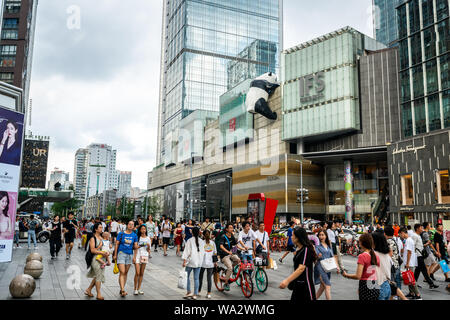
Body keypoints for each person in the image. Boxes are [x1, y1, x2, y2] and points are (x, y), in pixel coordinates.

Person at [279, 227, 317, 301]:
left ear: (298, 238)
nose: (291, 237)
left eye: (292, 235)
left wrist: (287, 280)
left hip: (306, 286)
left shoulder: (306, 249)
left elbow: (301, 268)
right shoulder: (299, 249)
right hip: (298, 285)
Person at [342, 233, 380, 300]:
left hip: (365, 286)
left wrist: (346, 275)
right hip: (375, 285)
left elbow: (358, 276)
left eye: (359, 241)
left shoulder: (362, 256)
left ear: (362, 243)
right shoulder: (376, 255)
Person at [113, 220, 138, 297]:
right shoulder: (121, 234)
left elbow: (135, 247)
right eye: (129, 224)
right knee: (122, 272)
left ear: (134, 226)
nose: (131, 225)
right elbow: (117, 244)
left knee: (125, 273)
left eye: (132, 224)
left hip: (130, 255)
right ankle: (123, 289)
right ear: (127, 225)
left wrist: (134, 257)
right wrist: (115, 254)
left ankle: (122, 289)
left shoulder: (134, 235)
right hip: (121, 253)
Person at [84, 222, 108, 300]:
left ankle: (88, 290)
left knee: (98, 275)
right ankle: (99, 294)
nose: (102, 229)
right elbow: (93, 250)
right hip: (95, 259)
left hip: (102, 259)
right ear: (96, 229)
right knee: (98, 276)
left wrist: (107, 253)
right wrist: (102, 252)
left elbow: (105, 248)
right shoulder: (92, 238)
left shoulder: (102, 238)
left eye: (102, 227)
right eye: (100, 227)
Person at [314, 229, 339, 300]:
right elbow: (315, 257)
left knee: (322, 287)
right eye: (320, 235)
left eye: (323, 235)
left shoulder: (328, 245)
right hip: (320, 269)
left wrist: (337, 266)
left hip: (328, 268)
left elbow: (333, 256)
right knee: (327, 286)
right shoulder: (317, 245)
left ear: (326, 236)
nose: (321, 236)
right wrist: (317, 256)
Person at [412, 223, 438, 289]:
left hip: (420, 255)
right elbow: (413, 246)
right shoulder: (414, 236)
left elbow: (420, 246)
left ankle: (414, 283)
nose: (422, 229)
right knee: (423, 270)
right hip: (418, 255)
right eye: (421, 228)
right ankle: (430, 283)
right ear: (417, 229)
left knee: (418, 271)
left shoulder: (418, 235)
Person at [182, 227, 205, 300]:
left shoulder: (189, 241)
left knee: (187, 276)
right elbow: (203, 253)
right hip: (198, 262)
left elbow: (186, 251)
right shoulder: (202, 241)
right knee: (196, 279)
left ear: (192, 233)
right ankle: (195, 294)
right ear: (199, 233)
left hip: (190, 262)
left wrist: (184, 261)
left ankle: (189, 292)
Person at [399, 227, 422, 300]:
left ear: (403, 233)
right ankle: (411, 293)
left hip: (410, 263)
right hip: (409, 262)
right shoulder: (408, 240)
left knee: (411, 279)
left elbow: (409, 252)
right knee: (409, 278)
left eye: (400, 234)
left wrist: (408, 263)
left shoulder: (408, 240)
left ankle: (418, 295)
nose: (400, 236)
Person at [218, 223, 240, 291]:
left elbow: (236, 245)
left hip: (230, 254)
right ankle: (226, 283)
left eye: (232, 227)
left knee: (238, 260)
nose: (232, 229)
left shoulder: (232, 236)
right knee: (230, 267)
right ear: (227, 229)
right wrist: (227, 252)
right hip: (224, 255)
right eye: (230, 228)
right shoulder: (223, 237)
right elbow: (221, 246)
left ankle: (228, 270)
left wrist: (244, 248)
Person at [371, 231, 392, 300]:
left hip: (378, 286)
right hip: (387, 285)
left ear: (375, 242)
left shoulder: (373, 254)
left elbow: (370, 273)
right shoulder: (387, 255)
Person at [199, 229, 216, 299]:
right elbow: (215, 253)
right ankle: (209, 293)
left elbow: (199, 253)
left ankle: (199, 291)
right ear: (210, 235)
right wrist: (215, 262)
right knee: (209, 279)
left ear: (203, 235)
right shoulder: (212, 243)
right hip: (211, 263)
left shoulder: (201, 242)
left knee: (200, 278)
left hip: (202, 263)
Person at [134, 224, 151, 295]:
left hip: (144, 256)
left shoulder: (148, 238)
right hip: (138, 255)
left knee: (141, 273)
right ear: (140, 230)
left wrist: (148, 246)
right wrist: (134, 257)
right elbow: (135, 248)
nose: (143, 230)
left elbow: (148, 250)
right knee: (137, 273)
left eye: (144, 229)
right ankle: (135, 289)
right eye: (142, 229)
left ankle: (139, 288)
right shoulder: (137, 238)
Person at [385, 226, 403, 290]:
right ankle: (398, 295)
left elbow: (390, 253)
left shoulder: (389, 241)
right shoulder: (394, 240)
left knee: (392, 281)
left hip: (392, 264)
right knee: (397, 280)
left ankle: (394, 295)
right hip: (396, 263)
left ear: (385, 233)